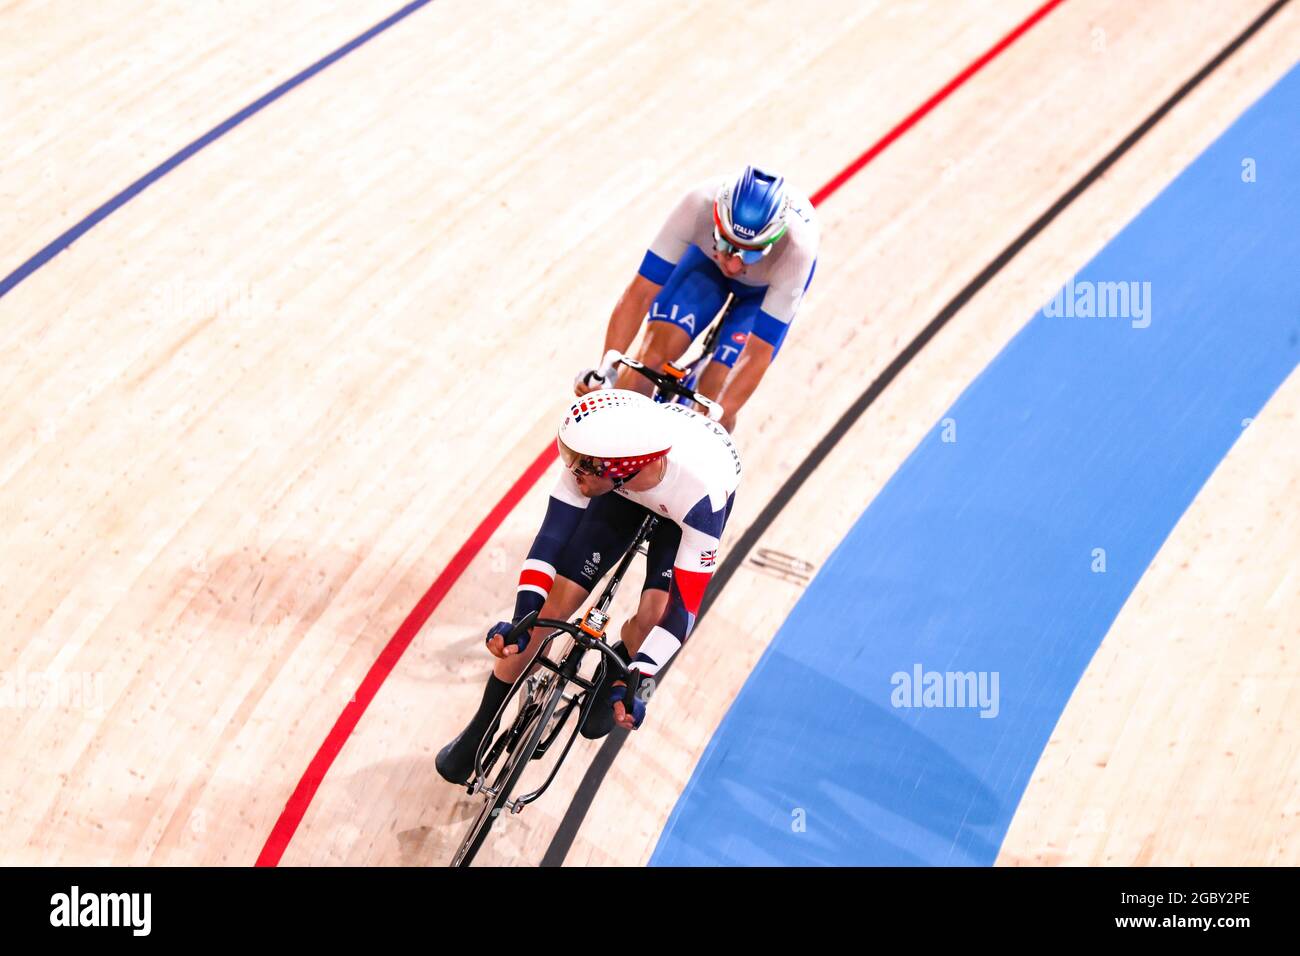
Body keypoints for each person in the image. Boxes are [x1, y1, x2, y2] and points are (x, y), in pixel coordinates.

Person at [436, 389, 741, 785]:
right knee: (550, 609)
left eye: (582, 467)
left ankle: (619, 656)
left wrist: (638, 674)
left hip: (679, 515)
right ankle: (481, 729)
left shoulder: (701, 498)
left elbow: (681, 613)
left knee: (653, 615)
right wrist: (522, 619)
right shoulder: (595, 459)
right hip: (623, 493)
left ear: (621, 467)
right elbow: (549, 542)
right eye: (571, 460)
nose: (571, 470)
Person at [575, 165, 819, 433]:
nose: (734, 265)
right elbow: (639, 293)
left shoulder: (797, 251)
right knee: (652, 357)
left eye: (749, 253)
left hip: (763, 292)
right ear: (716, 218)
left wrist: (715, 422)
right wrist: (605, 372)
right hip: (706, 265)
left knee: (715, 401)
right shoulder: (698, 204)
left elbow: (758, 352)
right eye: (726, 245)